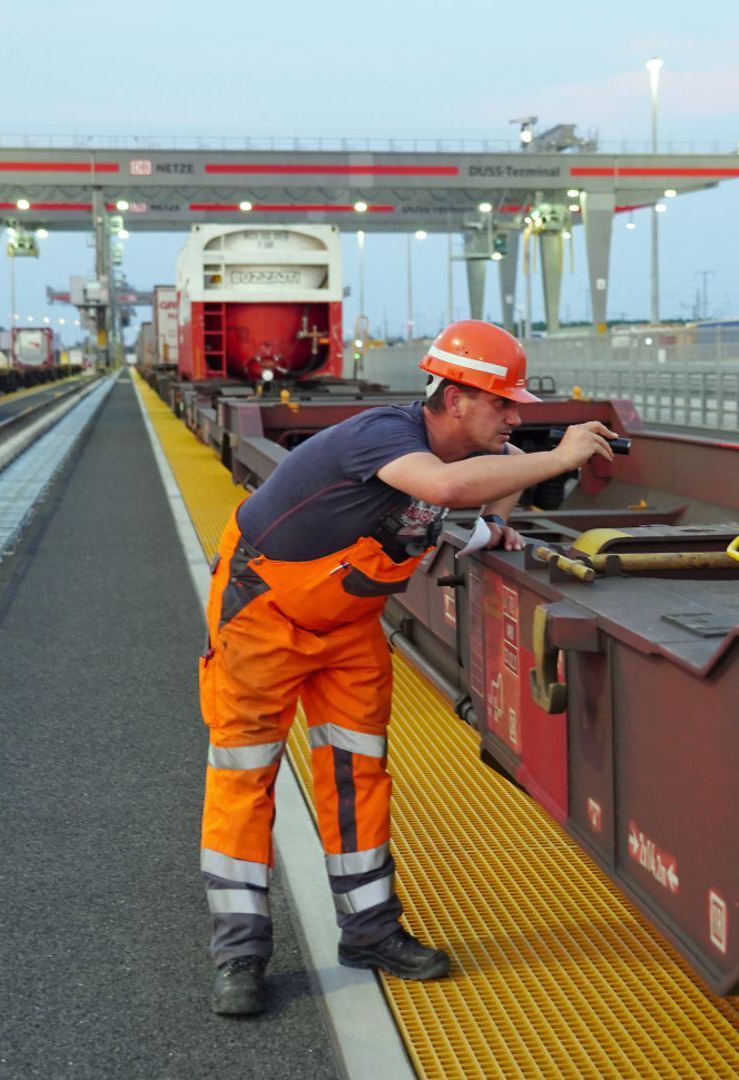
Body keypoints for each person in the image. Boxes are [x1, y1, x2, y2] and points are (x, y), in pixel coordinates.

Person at [198, 319, 619, 1015]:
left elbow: (458, 501)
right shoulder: (386, 436)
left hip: (349, 628)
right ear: (454, 398)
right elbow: (443, 490)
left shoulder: (449, 459)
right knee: (246, 780)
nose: (515, 415)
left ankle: (369, 930)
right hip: (261, 619)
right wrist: (560, 458)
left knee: (360, 774)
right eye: (501, 403)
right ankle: (239, 953)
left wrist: (499, 518)